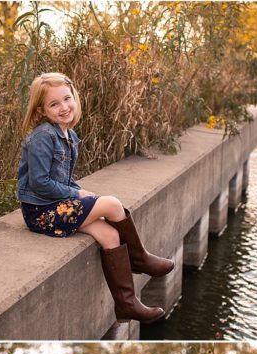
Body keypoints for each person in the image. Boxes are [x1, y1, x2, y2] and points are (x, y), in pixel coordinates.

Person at [16, 72, 174, 324]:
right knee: (111, 204)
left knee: (110, 235)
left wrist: (79, 193)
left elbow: (63, 179)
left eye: (67, 99)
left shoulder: (69, 135)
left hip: (57, 207)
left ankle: (127, 305)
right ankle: (140, 258)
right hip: (41, 213)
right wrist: (77, 194)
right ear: (41, 110)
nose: (64, 107)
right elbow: (40, 183)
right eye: (54, 104)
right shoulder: (42, 137)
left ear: (74, 98)